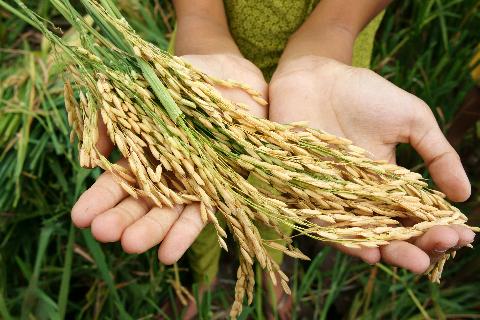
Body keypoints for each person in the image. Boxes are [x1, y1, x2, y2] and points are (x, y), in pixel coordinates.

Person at [71, 0, 476, 318]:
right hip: (208, 74)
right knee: (200, 192)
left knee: (290, 196)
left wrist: (327, 39)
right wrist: (201, 27)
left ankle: (270, 277)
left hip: (327, 75)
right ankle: (205, 280)